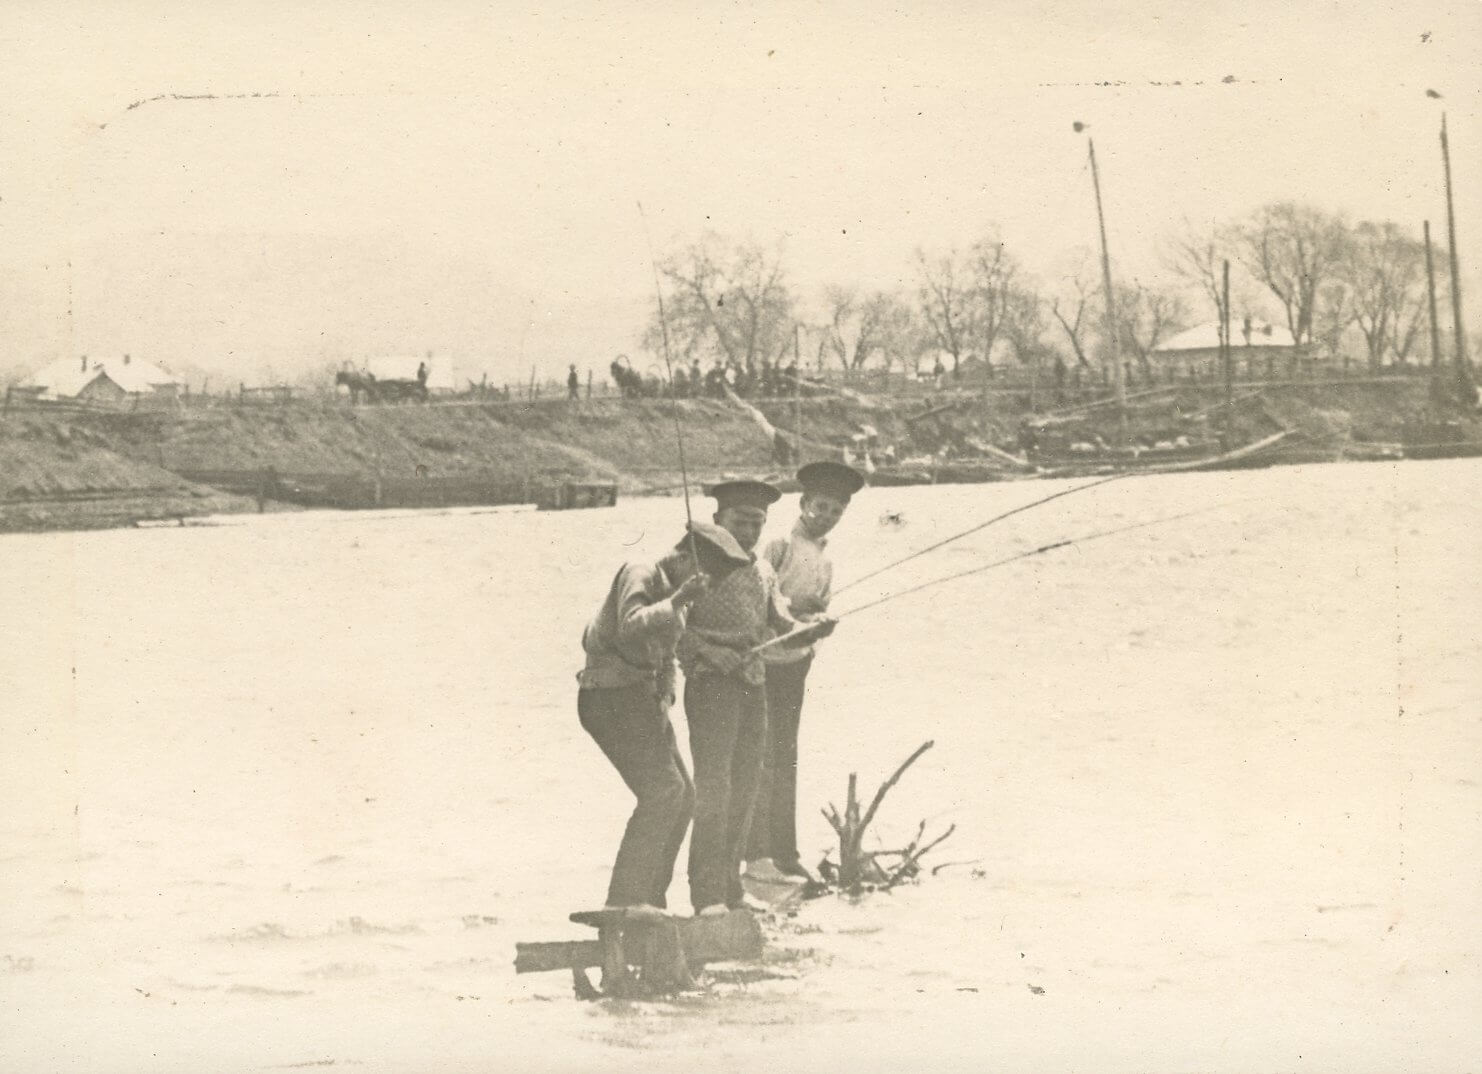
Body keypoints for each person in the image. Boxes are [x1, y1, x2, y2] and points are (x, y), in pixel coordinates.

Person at [576, 521, 750, 919]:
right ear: (686, 557)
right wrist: (676, 601)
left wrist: (667, 695)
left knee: (685, 795)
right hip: (606, 697)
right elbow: (629, 625)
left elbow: (667, 657)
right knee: (662, 792)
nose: (708, 587)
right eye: (707, 576)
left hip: (639, 700)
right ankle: (623, 898)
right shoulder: (641, 573)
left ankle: (650, 899)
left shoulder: (680, 597)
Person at [677, 480, 831, 916]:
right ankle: (706, 895)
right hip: (711, 686)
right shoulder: (695, 567)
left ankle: (730, 889)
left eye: (756, 523)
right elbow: (676, 628)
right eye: (739, 522)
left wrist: (809, 628)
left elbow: (778, 618)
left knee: (746, 787)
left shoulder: (763, 570)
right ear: (717, 521)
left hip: (754, 683)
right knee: (715, 788)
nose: (747, 532)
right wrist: (711, 653)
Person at [745, 461, 863, 884]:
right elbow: (757, 597)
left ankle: (784, 852)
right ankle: (757, 854)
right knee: (763, 758)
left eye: (836, 511)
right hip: (762, 662)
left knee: (787, 757)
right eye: (822, 507)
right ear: (804, 503)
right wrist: (796, 615)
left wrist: (820, 622)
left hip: (796, 664)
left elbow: (818, 606)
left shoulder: (824, 559)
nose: (827, 516)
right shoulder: (777, 545)